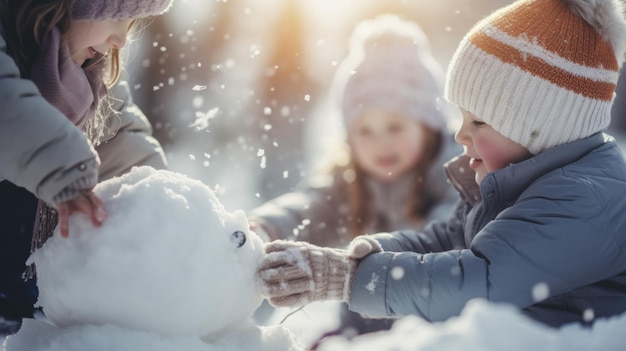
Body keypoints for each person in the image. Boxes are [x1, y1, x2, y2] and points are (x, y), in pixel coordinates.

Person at [256, 0, 626, 333]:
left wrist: (350, 279)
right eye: (462, 117)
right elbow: (446, 241)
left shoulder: (584, 199)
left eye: (479, 121)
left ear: (541, 126)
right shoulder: (514, 181)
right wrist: (366, 254)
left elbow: (478, 280)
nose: (461, 133)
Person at [248, 14, 460, 340]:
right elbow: (309, 207)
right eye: (365, 130)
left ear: (428, 127)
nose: (381, 142)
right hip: (362, 328)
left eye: (395, 126)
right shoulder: (350, 181)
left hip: (436, 328)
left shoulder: (455, 174)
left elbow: (452, 225)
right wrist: (265, 227)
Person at [0, 0, 172, 336]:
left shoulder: (90, 78)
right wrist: (64, 168)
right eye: (116, 18)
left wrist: (170, 216)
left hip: (23, 310)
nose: (121, 40)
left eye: (132, 23)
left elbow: (130, 151)